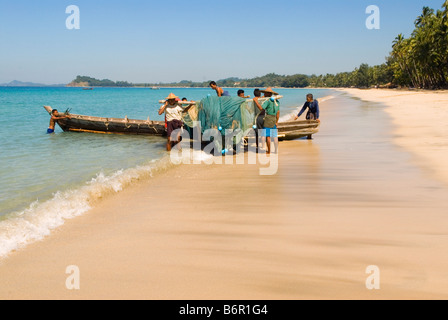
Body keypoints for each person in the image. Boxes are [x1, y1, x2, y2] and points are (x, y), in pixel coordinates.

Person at [261, 88, 280, 154]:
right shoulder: (277, 101)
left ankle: (269, 151)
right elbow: (278, 113)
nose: (264, 94)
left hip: (268, 118)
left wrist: (256, 101)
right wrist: (277, 121)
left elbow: (261, 108)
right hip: (274, 118)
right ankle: (275, 150)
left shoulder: (268, 101)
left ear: (268, 93)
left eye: (265, 93)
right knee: (274, 136)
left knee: (268, 136)